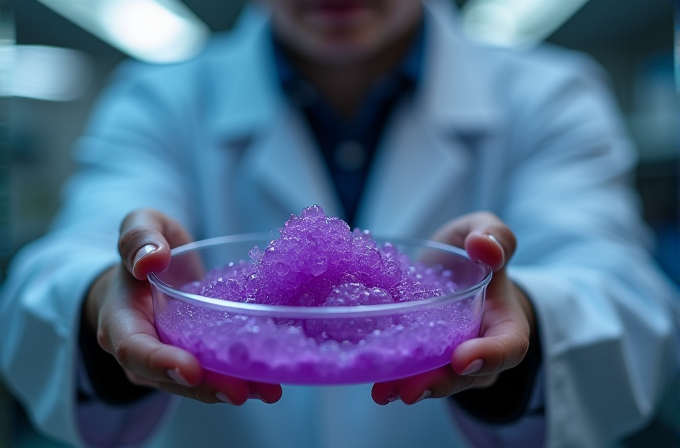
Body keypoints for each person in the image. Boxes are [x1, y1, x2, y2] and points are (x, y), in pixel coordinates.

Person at [1, 0, 678, 447]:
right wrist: (102, 295)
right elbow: (67, 259)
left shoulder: (550, 91)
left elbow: (618, 290)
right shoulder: (159, 94)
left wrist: (523, 308)